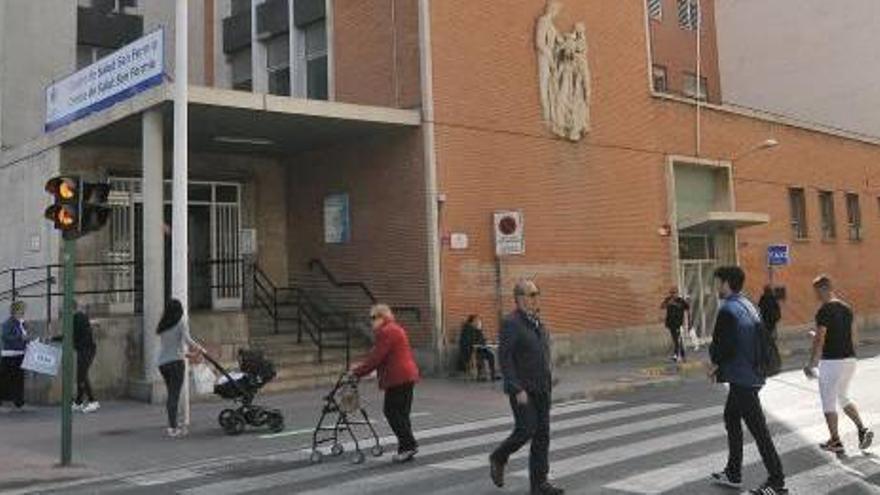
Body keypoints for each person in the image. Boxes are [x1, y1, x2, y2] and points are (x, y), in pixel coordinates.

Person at [709, 266, 787, 495]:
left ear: (726, 283)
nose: (716, 287)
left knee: (759, 430)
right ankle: (733, 473)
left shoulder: (728, 310)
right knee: (731, 417)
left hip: (742, 377)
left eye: (718, 283)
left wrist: (714, 363)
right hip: (751, 373)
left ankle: (777, 481)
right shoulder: (748, 304)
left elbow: (724, 347)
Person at [490, 280, 563, 495]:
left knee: (542, 435)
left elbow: (542, 352)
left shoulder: (536, 322)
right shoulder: (511, 323)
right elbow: (505, 358)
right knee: (526, 430)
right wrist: (515, 387)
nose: (537, 298)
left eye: (537, 293)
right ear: (520, 298)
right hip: (523, 389)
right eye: (533, 294)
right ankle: (498, 456)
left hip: (542, 387)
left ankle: (539, 484)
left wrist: (551, 375)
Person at [805, 275, 873, 454]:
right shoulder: (846, 308)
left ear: (823, 289)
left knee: (828, 402)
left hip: (831, 362)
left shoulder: (824, 311)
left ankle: (835, 441)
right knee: (843, 397)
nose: (816, 296)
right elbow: (852, 338)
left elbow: (820, 339)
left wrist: (811, 364)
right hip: (850, 360)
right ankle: (862, 429)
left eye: (817, 292)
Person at [350, 304, 420, 463]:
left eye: (373, 318)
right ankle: (406, 447)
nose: (371, 322)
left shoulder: (386, 332)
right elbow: (388, 357)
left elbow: (376, 357)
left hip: (398, 378)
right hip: (406, 375)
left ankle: (408, 445)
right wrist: (367, 371)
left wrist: (356, 372)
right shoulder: (395, 329)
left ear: (381, 317)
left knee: (392, 412)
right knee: (401, 413)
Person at [156, 299, 202, 438]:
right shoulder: (181, 323)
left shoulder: (162, 325)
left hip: (163, 363)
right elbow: (187, 340)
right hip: (176, 364)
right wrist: (199, 348)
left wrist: (189, 355)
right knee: (174, 395)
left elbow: (171, 348)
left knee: (171, 394)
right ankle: (172, 427)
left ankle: (172, 424)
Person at [0, 301, 29, 411]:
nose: (23, 312)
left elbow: (25, 336)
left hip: (20, 354)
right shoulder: (8, 323)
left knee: (18, 379)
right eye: (21, 310)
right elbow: (5, 336)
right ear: (15, 311)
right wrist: (20, 337)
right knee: (6, 379)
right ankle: (4, 401)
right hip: (9, 355)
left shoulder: (22, 323)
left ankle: (18, 402)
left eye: (23, 310)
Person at [73, 302, 99, 413]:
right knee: (81, 376)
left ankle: (93, 401)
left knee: (82, 376)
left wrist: (53, 338)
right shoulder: (80, 317)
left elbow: (70, 334)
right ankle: (78, 402)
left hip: (85, 350)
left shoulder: (77, 318)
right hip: (86, 349)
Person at [458, 315, 499, 381]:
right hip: (470, 352)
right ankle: (480, 375)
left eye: (479, 321)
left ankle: (493, 374)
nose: (478, 322)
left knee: (491, 355)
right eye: (477, 321)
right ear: (472, 321)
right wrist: (479, 338)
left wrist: (487, 341)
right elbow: (470, 342)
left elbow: (482, 340)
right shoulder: (467, 329)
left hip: (479, 349)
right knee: (479, 357)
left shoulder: (476, 330)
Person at [660, 287, 689, 362]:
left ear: (677, 293)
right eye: (671, 293)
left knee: (678, 340)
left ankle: (678, 356)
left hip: (678, 323)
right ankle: (680, 356)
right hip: (671, 323)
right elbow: (662, 306)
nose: (672, 295)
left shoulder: (681, 300)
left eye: (674, 293)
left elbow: (687, 308)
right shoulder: (668, 299)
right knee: (676, 339)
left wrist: (688, 321)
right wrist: (667, 304)